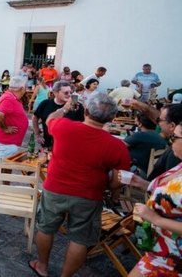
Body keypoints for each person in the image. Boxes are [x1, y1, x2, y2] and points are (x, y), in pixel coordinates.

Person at [30, 93, 131, 277]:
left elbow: (51, 118)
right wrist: (108, 187)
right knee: (80, 239)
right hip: (89, 195)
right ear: (112, 118)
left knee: (45, 228)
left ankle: (42, 266)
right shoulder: (117, 146)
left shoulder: (64, 127)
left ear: (85, 111)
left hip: (55, 188)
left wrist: (66, 108)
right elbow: (119, 179)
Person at [125, 120, 182, 275]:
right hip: (159, 247)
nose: (171, 142)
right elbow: (167, 192)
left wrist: (155, 219)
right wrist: (140, 182)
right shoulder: (179, 165)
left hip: (173, 258)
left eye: (174, 138)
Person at [0, 77, 29, 193]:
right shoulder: (9, 98)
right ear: (22, 88)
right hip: (7, 139)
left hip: (11, 140)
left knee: (7, 163)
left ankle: (5, 186)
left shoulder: (12, 97)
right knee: (0, 163)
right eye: (25, 87)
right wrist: (5, 128)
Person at [32, 81, 85, 150]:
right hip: (48, 145)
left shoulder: (77, 106)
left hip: (68, 146)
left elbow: (83, 124)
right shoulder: (45, 103)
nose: (69, 95)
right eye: (66, 92)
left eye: (70, 92)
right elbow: (35, 117)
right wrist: (37, 134)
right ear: (55, 93)